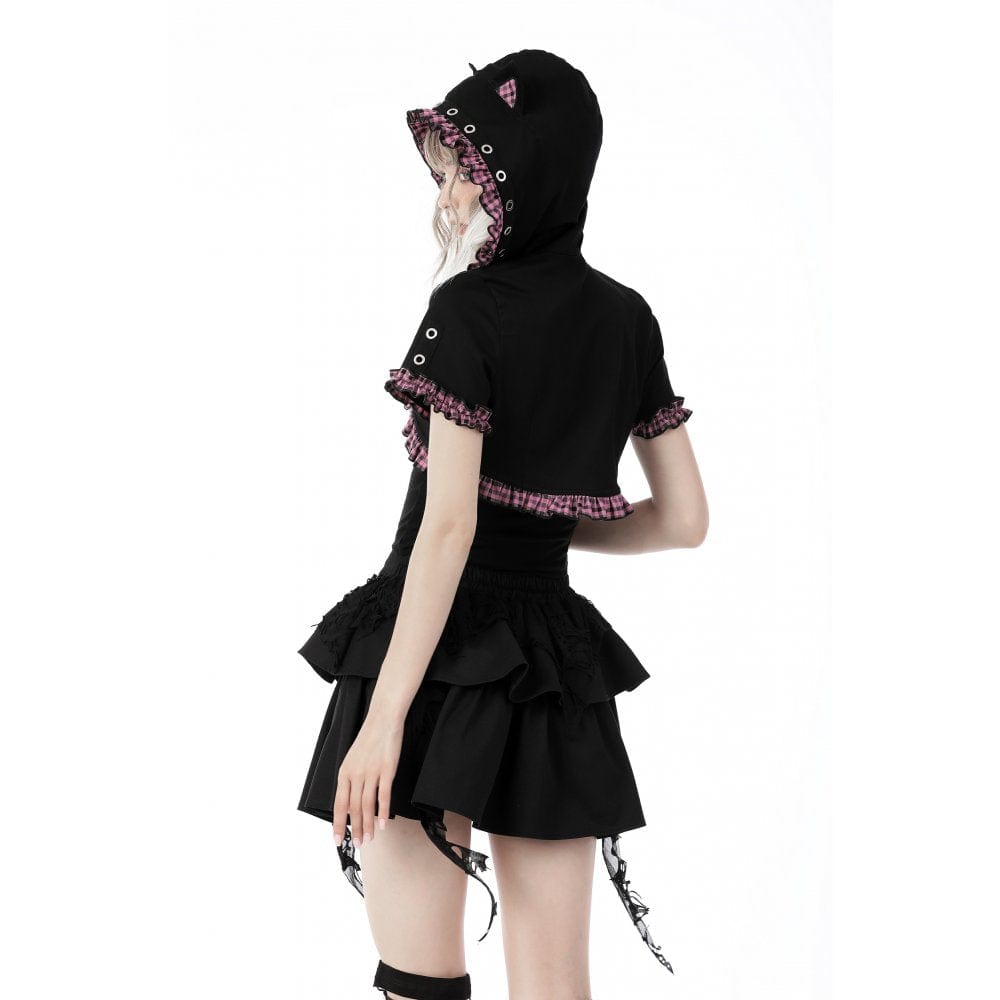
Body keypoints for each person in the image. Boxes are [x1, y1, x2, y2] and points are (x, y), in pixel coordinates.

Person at [296, 48, 708, 1000]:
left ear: (518, 177)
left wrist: (384, 721)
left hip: (426, 656)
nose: (448, 197)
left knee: (419, 984)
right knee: (556, 987)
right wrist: (547, 527)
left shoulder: (467, 311)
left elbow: (446, 532)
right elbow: (684, 519)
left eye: (465, 173)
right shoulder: (627, 319)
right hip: (548, 670)